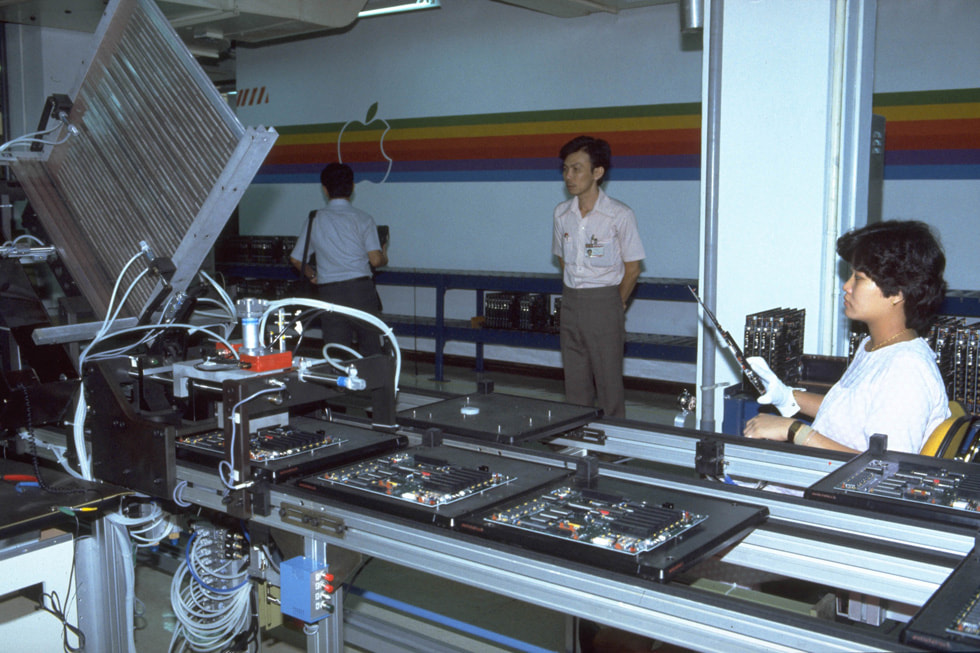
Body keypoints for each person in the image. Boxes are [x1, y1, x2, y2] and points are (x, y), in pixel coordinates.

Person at [743, 220, 950, 453]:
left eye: (858, 278)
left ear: (898, 293)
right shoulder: (874, 346)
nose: (846, 286)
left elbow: (885, 469)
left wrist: (794, 430)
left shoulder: (906, 370)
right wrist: (787, 396)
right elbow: (850, 412)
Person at [552, 136, 645, 418]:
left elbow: (633, 268)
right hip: (571, 302)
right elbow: (562, 259)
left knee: (608, 383)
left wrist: (615, 304)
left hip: (604, 302)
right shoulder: (561, 214)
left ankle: (612, 447)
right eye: (566, 169)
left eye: (577, 169)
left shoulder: (619, 215)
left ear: (598, 172)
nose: (569, 176)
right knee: (575, 381)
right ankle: (576, 439)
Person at [290, 163, 388, 356]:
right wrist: (384, 254)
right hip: (361, 291)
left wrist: (313, 275)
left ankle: (340, 385)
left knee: (336, 350)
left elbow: (296, 258)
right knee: (370, 347)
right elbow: (375, 260)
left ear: (325, 189)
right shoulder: (363, 218)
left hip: (330, 293)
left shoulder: (314, 219)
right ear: (352, 187)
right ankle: (372, 385)